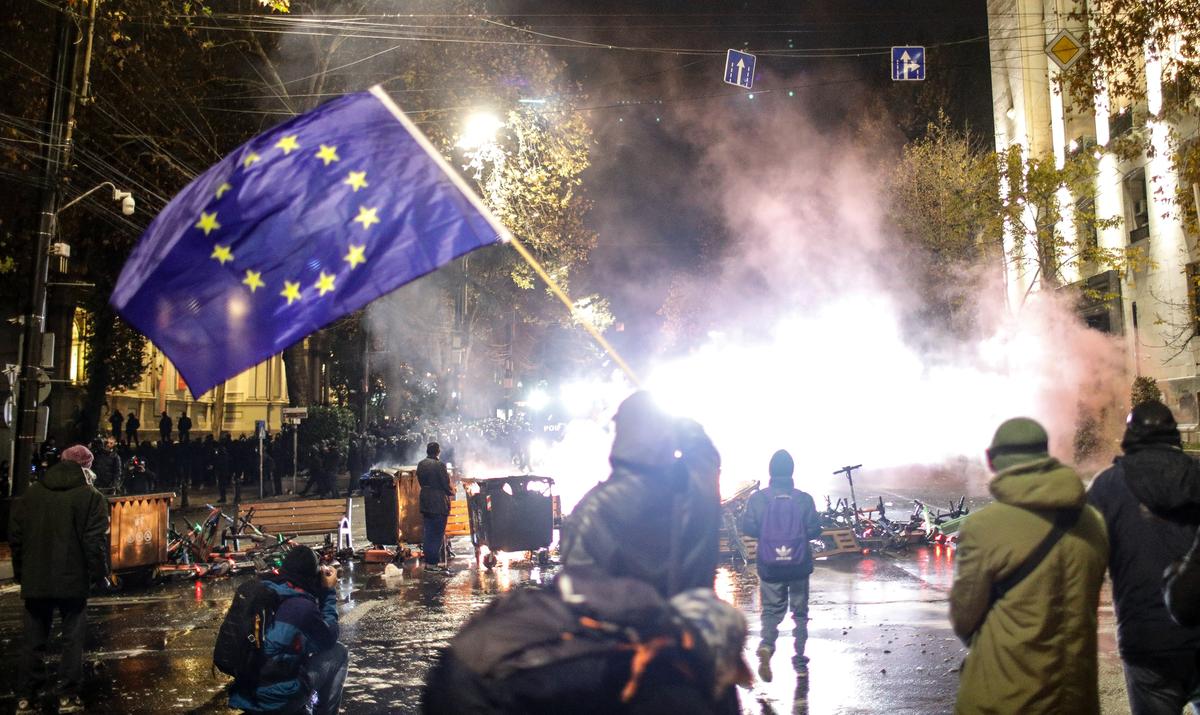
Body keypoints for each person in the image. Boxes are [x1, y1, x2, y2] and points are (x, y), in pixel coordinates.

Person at [950, 417, 1108, 714]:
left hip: (1004, 698)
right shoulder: (1092, 522)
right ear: (1045, 455)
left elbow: (964, 617)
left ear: (991, 460)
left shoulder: (984, 527)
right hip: (1075, 699)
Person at [1086, 400, 1200, 714]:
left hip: (1145, 641)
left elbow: (1083, 561)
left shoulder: (1107, 486)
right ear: (1174, 433)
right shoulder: (1196, 475)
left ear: (1130, 435)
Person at [561, 391, 722, 597]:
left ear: (621, 434)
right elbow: (703, 451)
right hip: (691, 616)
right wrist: (675, 423)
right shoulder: (698, 488)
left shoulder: (594, 510)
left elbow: (578, 590)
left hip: (629, 618)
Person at [8, 446, 109, 714]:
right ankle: (67, 695)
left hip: (36, 577)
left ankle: (26, 697)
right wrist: (100, 575)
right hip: (72, 578)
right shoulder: (91, 497)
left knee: (33, 639)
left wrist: (22, 572)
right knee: (72, 639)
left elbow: (16, 537)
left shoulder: (32, 493)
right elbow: (94, 542)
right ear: (86, 467)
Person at [229, 546, 348, 714]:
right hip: (277, 701)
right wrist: (327, 592)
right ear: (312, 575)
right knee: (338, 652)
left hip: (245, 695)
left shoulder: (260, 592)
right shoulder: (301, 607)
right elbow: (328, 638)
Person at [739, 449, 822, 681]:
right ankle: (800, 660)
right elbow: (815, 530)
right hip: (798, 564)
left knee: (770, 610)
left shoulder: (758, 499)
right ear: (791, 471)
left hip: (769, 565)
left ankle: (767, 646)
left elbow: (748, 528)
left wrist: (769, 534)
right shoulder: (803, 499)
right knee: (800, 613)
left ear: (771, 471)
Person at [417, 442, 454, 573]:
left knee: (428, 533)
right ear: (438, 451)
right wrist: (451, 491)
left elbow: (420, 480)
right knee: (437, 533)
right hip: (438, 502)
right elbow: (446, 484)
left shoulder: (421, 464)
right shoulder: (439, 465)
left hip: (425, 500)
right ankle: (432, 563)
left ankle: (429, 562)